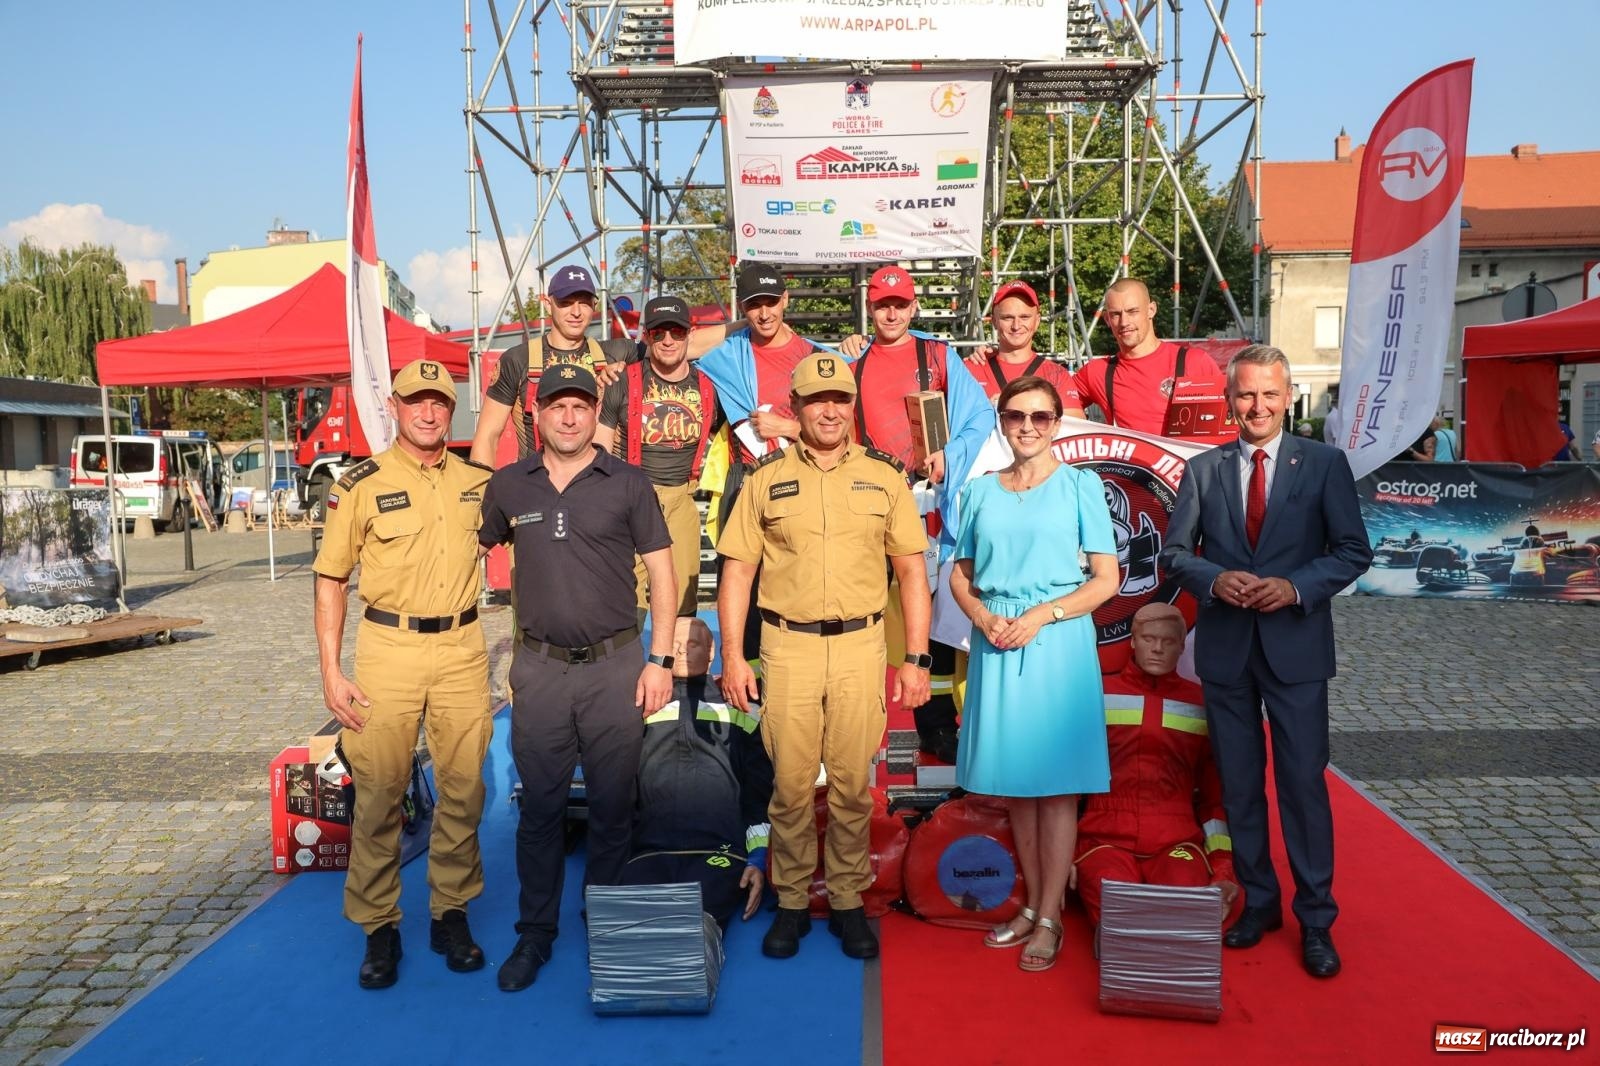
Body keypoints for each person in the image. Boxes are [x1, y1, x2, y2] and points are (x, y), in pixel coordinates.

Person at [1159, 344, 1373, 979]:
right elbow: (1174, 555)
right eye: (1246, 395)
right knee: (1241, 787)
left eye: (1269, 395)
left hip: (1296, 650)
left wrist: (1296, 587)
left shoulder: (1327, 465)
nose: (1257, 406)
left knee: (1303, 787)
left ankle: (1317, 919)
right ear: (1230, 400)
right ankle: (1258, 902)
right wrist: (1214, 580)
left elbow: (1352, 551)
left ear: (1288, 399)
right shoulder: (1203, 470)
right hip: (1226, 651)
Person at [717, 353, 932, 962]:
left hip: (862, 645)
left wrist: (916, 657)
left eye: (839, 398)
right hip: (786, 648)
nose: (830, 410)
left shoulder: (885, 478)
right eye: (816, 401)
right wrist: (734, 656)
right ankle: (790, 901)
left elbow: (912, 572)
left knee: (851, 785)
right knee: (788, 784)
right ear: (797, 409)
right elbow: (738, 573)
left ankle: (845, 899)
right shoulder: (764, 480)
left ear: (850, 405)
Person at [478, 363, 679, 992]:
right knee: (539, 810)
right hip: (538, 671)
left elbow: (665, 577)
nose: (570, 417)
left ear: (598, 414)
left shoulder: (628, 483)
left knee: (615, 810)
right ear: (535, 415)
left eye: (581, 406)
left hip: (617, 668)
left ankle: (610, 927)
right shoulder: (509, 487)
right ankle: (535, 934)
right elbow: (464, 559)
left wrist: (661, 659)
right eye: (557, 406)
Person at [311, 358, 494, 990]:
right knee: (382, 791)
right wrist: (331, 671)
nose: (428, 412)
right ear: (395, 405)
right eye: (416, 401)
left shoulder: (478, 482)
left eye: (439, 402)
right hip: (388, 648)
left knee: (465, 787)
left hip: (464, 647)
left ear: (451, 409)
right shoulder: (359, 484)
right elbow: (330, 578)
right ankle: (379, 925)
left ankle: (450, 910)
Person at [947, 375, 1120, 973]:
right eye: (1016, 415)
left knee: (1057, 789)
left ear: (1057, 422)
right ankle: (1032, 904)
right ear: (1001, 420)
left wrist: (1043, 614)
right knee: (1017, 784)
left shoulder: (1081, 486)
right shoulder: (981, 492)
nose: (1028, 426)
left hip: (1057, 643)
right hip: (997, 643)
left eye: (1041, 417)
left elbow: (1106, 579)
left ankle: (1048, 913)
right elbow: (960, 574)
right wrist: (983, 616)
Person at [845, 264, 997, 764]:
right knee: (868, 607)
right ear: (871, 309)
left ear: (913, 307)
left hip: (933, 501)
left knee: (939, 613)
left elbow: (979, 417)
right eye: (882, 304)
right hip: (874, 501)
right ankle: (862, 718)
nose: (891, 312)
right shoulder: (852, 363)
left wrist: (949, 456)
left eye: (900, 304)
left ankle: (939, 724)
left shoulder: (938, 355)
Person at [1071, 603, 1239, 929]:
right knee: (1117, 911)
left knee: (1187, 914)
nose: (1158, 648)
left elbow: (1214, 798)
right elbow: (1069, 786)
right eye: (1148, 638)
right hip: (1103, 839)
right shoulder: (1097, 695)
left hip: (1177, 842)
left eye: (1168, 641)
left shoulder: (1202, 705)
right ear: (1132, 641)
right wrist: (1062, 858)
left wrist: (1222, 869)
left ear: (1182, 646)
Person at [620, 618, 772, 929]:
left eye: (692, 644)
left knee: (698, 921)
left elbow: (760, 799)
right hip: (649, 849)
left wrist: (758, 861)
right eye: (674, 644)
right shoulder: (638, 705)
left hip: (719, 851)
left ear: (712, 650)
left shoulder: (743, 711)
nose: (681, 650)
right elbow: (617, 790)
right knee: (633, 927)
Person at [596, 295, 723, 617]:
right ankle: (631, 667)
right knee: (625, 604)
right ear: (646, 336)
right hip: (629, 500)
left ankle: (678, 668)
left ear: (690, 335)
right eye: (658, 333)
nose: (668, 341)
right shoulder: (621, 380)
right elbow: (598, 453)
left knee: (682, 604)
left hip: (682, 498)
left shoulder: (710, 386)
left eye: (676, 332)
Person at [471, 264, 636, 465]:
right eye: (566, 303)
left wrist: (623, 371)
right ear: (548, 304)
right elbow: (488, 435)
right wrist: (483, 492)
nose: (576, 312)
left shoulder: (620, 353)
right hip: (537, 488)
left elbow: (672, 351)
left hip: (597, 488)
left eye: (584, 303)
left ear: (594, 305)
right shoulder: (517, 360)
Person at [1072, 278, 1225, 436]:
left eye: (1132, 311)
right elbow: (1052, 408)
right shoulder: (1098, 372)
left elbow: (1226, 425)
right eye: (1116, 314)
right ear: (1107, 319)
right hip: (1127, 460)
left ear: (1151, 310)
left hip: (1184, 459)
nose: (1124, 322)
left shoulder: (1194, 362)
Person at [967, 280, 1086, 416]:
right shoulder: (971, 369)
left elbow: (1076, 426)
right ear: (994, 321)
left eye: (1024, 317)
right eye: (1007, 318)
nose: (1016, 326)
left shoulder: (1056, 375)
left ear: (1037, 321)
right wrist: (986, 411)